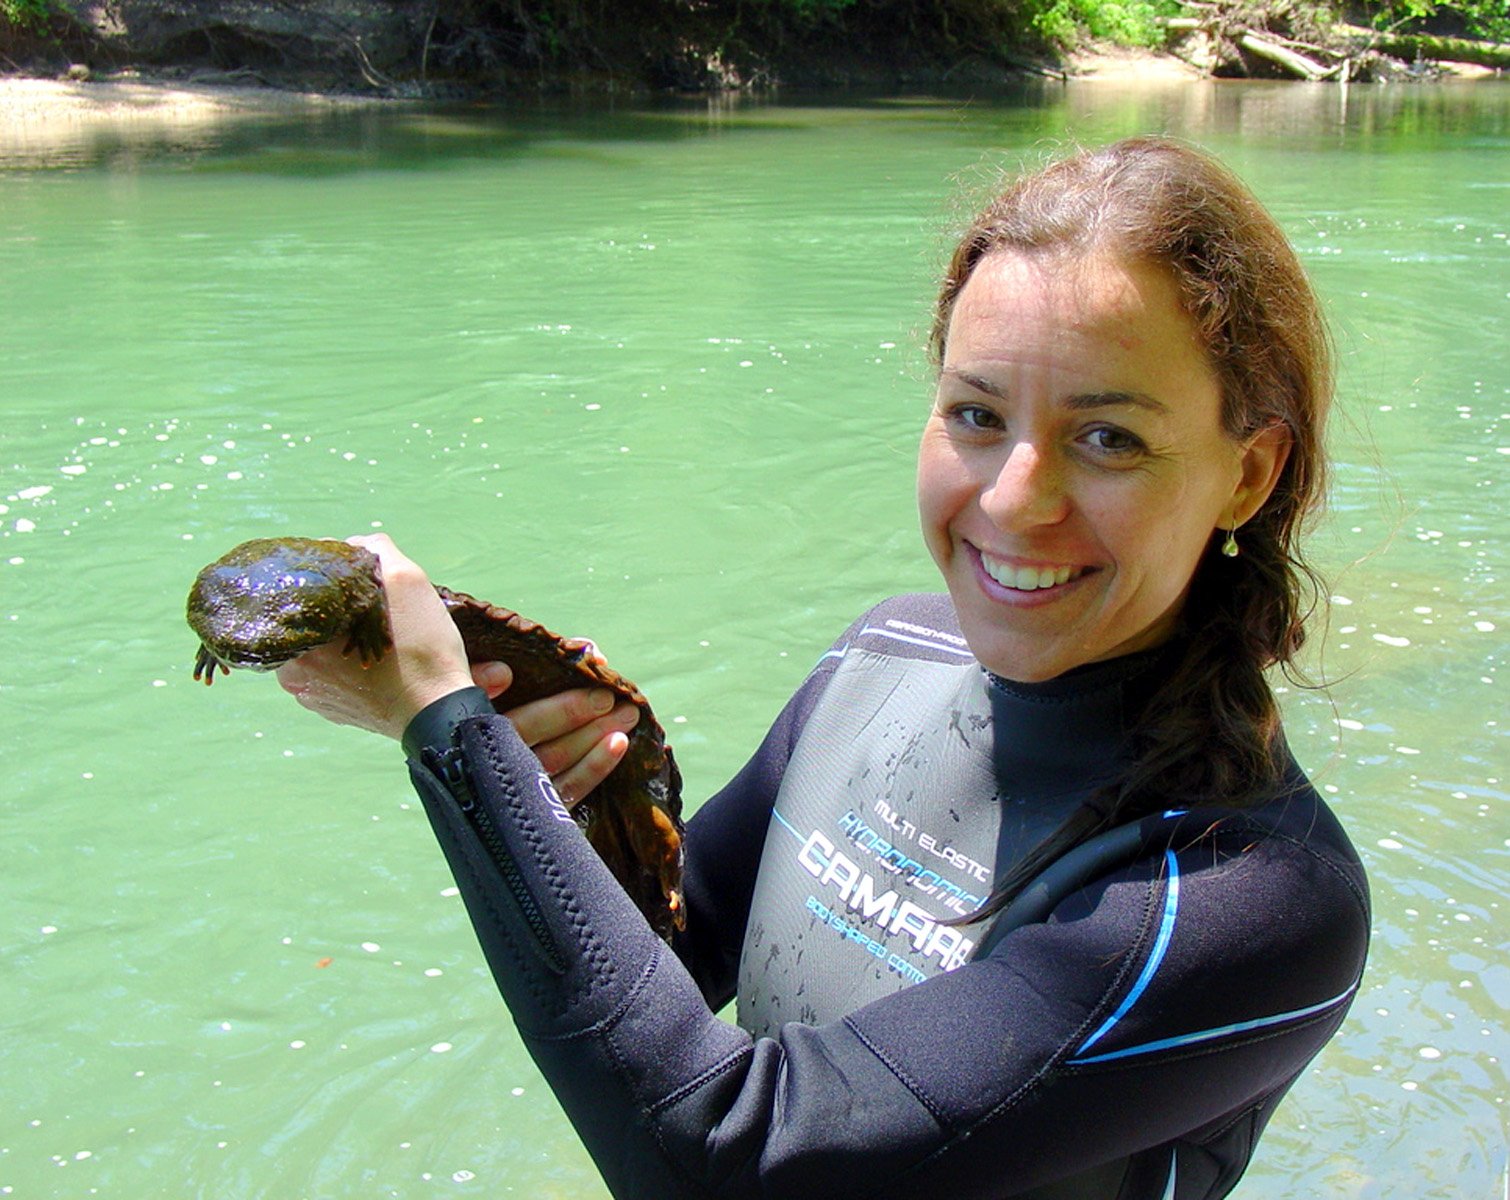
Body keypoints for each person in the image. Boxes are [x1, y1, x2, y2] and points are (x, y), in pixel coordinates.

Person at [277, 136, 1370, 1200]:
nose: (1011, 499)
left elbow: (725, 1160)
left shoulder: (1245, 896)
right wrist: (581, 782)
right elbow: (674, 948)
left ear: (1248, 474)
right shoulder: (886, 654)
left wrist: (451, 735)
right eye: (976, 415)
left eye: (1109, 440)